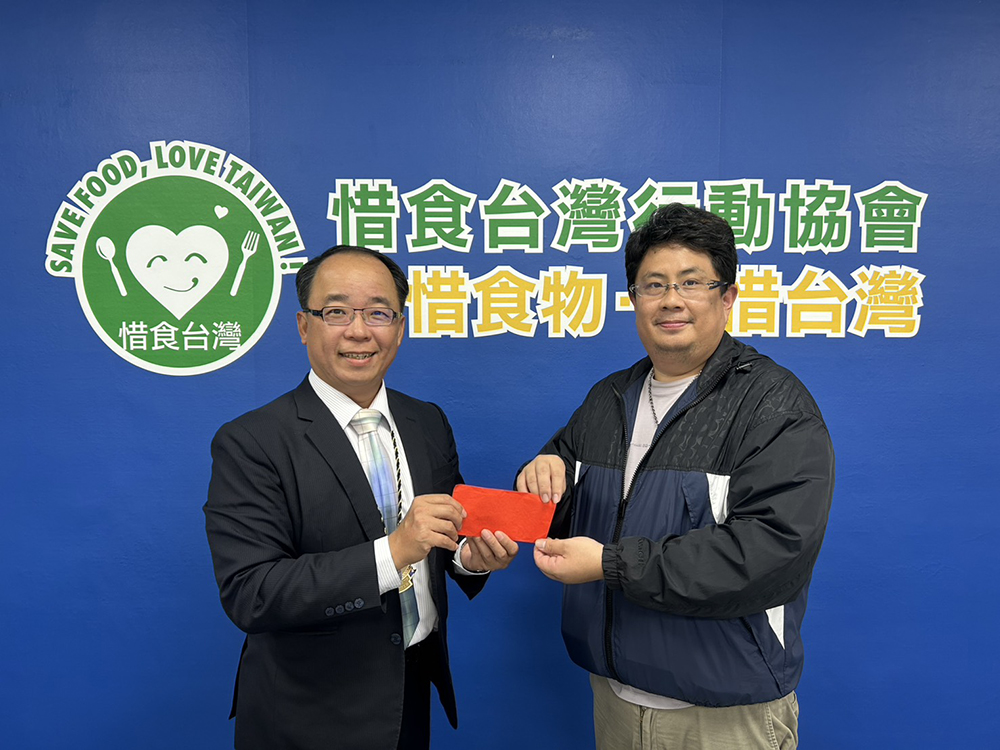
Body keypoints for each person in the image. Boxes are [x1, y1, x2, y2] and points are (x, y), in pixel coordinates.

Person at [516, 204, 834, 749]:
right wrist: (542, 470)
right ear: (634, 299)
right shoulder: (608, 398)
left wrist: (610, 564)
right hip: (614, 696)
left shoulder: (773, 404)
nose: (670, 300)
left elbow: (771, 552)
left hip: (723, 713)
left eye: (691, 282)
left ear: (727, 297)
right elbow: (561, 495)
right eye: (653, 284)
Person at [205, 245, 518, 750]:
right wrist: (394, 551)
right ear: (304, 326)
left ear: (400, 326)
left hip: (412, 686)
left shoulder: (427, 421)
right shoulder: (252, 441)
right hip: (308, 709)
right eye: (336, 312)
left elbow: (442, 536)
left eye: (378, 313)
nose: (358, 331)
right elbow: (251, 592)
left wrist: (469, 558)